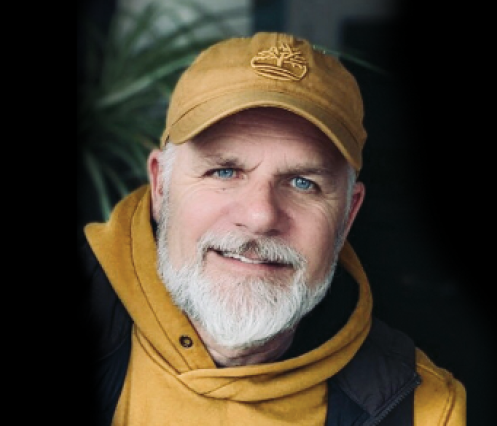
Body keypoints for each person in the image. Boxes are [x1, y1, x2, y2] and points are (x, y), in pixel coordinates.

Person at [79, 31, 466, 425]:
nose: (261, 216)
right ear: (161, 186)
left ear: (349, 213)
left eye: (303, 183)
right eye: (225, 170)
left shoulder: (422, 411)